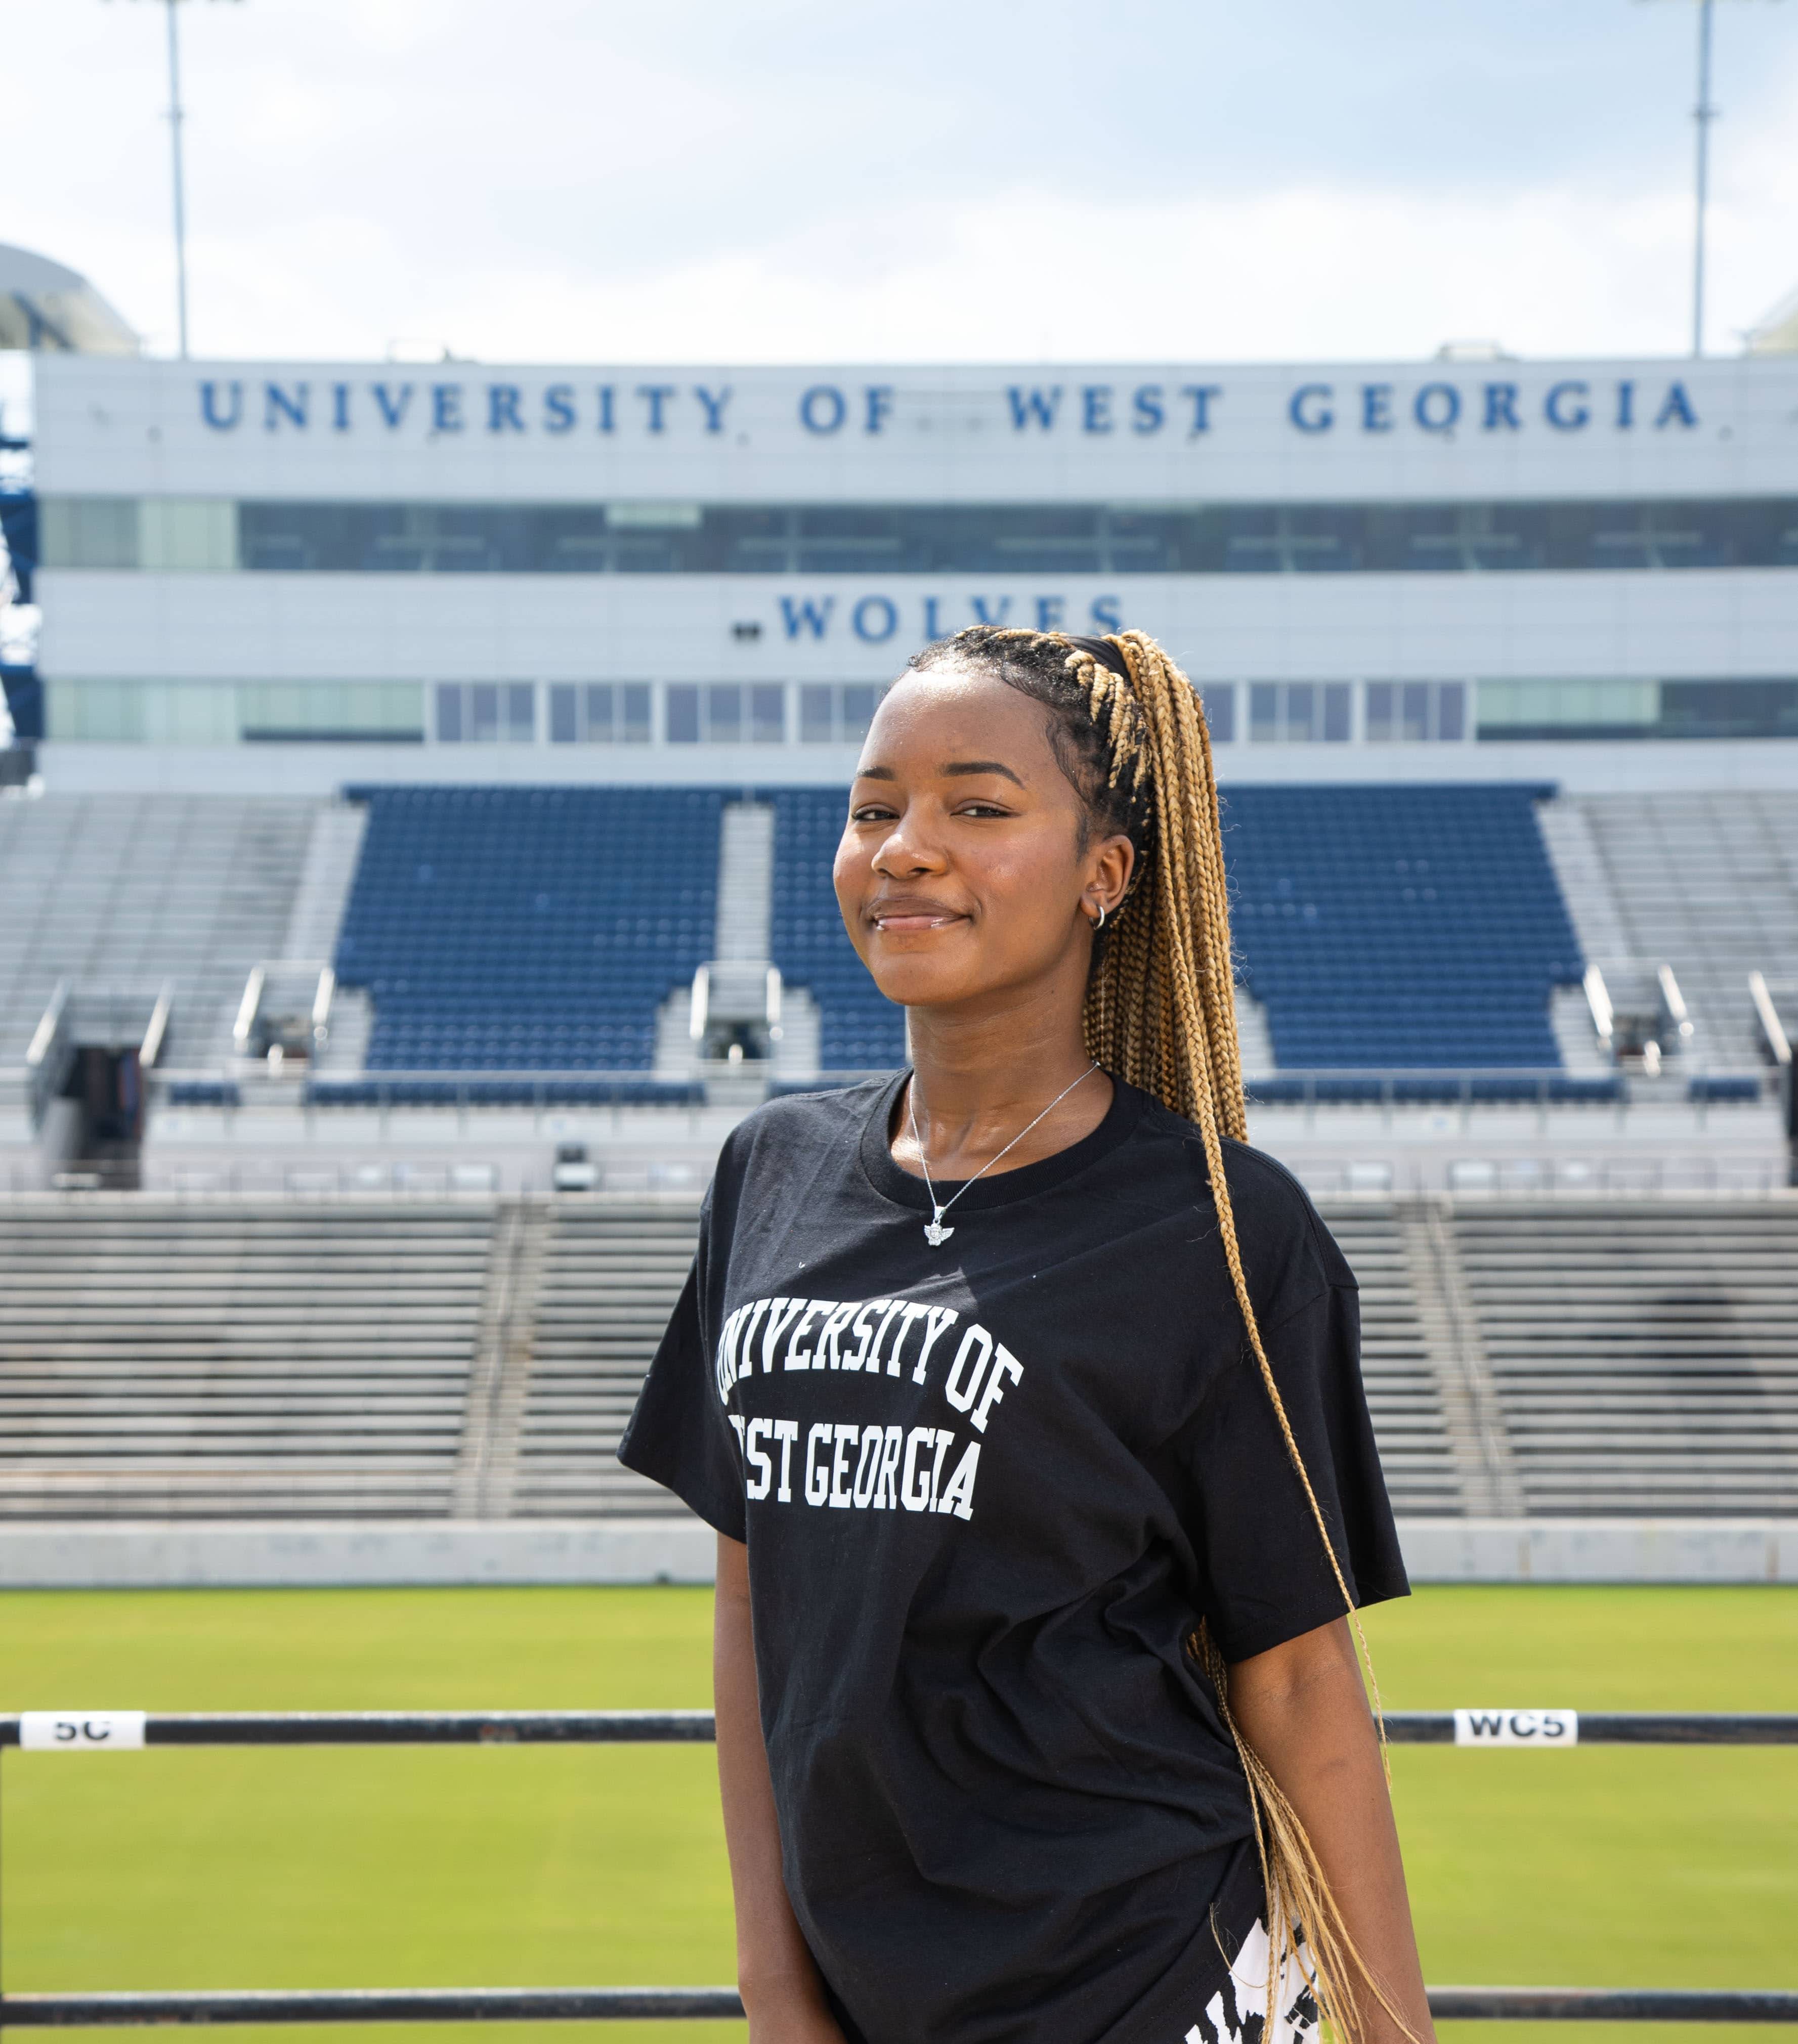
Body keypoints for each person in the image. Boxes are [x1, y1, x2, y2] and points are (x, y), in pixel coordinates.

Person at [619, 627, 1435, 2044]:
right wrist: (773, 1984)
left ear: (1103, 875)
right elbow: (754, 1606)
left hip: (1148, 1971)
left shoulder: (1225, 1230)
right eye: (875, 806)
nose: (905, 848)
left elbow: (1298, 1673)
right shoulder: (772, 1168)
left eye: (977, 807)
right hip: (872, 1992)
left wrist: (1393, 2031)